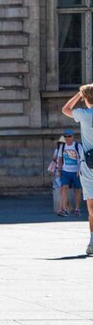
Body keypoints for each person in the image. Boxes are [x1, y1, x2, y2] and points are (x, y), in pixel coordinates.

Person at [61, 85, 93, 255]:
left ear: (86, 98)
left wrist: (77, 94)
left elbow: (66, 109)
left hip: (89, 164)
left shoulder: (84, 114)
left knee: (91, 206)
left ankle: (92, 241)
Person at [55, 129, 83, 217]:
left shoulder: (78, 146)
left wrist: (79, 170)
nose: (67, 138)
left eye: (69, 136)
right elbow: (60, 159)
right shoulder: (62, 147)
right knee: (64, 189)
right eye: (65, 136)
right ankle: (65, 209)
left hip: (76, 172)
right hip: (65, 171)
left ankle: (77, 209)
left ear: (73, 137)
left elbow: (82, 159)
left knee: (77, 190)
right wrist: (59, 170)